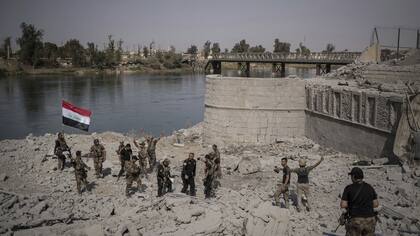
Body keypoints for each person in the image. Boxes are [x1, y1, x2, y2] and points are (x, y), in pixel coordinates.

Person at [341, 167, 379, 236]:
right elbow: (376, 204)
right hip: (370, 220)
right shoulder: (370, 187)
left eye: (351, 176)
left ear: (354, 176)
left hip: (356, 220)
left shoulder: (349, 188)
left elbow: (343, 205)